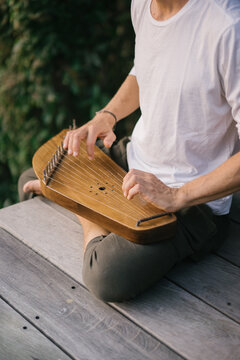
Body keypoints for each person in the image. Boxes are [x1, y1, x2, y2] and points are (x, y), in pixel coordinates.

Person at [19, 0, 240, 302]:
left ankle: (86, 212)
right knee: (33, 178)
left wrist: (178, 196)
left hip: (192, 202)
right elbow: (145, 67)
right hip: (134, 164)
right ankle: (97, 215)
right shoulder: (142, 5)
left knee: (106, 274)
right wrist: (106, 116)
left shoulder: (228, 27)